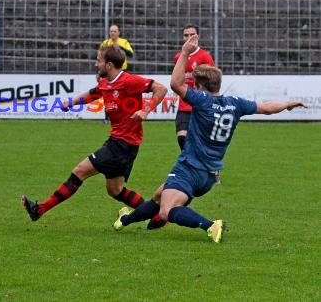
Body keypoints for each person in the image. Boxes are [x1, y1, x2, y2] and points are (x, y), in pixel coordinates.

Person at [113, 34, 306, 242]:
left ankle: (211, 225)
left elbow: (176, 84)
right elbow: (267, 108)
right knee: (160, 195)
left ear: (199, 86)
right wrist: (287, 104)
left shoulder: (202, 100)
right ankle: (124, 221)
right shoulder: (235, 103)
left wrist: (185, 52)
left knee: (167, 211)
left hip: (190, 168)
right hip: (209, 175)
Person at [21, 44, 168, 222]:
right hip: (122, 144)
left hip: (123, 144)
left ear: (109, 65)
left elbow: (161, 89)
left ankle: (40, 209)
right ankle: (158, 216)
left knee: (79, 171)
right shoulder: (105, 83)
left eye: (99, 61)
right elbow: (93, 94)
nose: (95, 64)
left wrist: (146, 110)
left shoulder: (129, 81)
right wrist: (71, 103)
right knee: (115, 190)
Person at [173, 23, 215, 151]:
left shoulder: (205, 57)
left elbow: (213, 80)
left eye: (192, 35)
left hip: (200, 106)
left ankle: (208, 167)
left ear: (198, 36)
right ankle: (191, 164)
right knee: (182, 138)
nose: (189, 38)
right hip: (184, 105)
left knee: (203, 142)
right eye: (186, 35)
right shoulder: (178, 57)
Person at [99, 24, 135, 123]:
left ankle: (124, 116)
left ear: (118, 32)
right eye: (111, 31)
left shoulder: (124, 42)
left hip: (122, 72)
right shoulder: (105, 43)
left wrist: (119, 48)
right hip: (108, 72)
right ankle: (107, 117)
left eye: (115, 31)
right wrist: (98, 73)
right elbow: (100, 58)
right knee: (108, 95)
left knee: (123, 95)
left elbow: (130, 54)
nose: (113, 33)